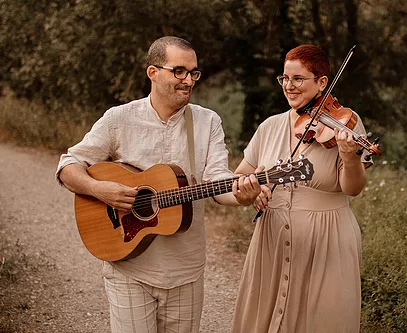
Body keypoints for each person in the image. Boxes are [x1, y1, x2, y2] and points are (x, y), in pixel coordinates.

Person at [55, 36, 262, 333]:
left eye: (193, 73)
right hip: (128, 264)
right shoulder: (119, 119)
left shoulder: (207, 122)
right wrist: (100, 190)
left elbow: (217, 180)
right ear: (153, 72)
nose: (188, 80)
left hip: (185, 269)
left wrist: (242, 195)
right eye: (179, 71)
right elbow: (68, 165)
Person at [230, 44, 373, 333]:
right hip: (271, 238)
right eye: (285, 79)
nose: (289, 86)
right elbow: (241, 176)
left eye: (298, 79)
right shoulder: (270, 126)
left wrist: (348, 155)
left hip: (328, 240)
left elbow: (353, 188)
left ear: (322, 82)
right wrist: (252, 191)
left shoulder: (344, 124)